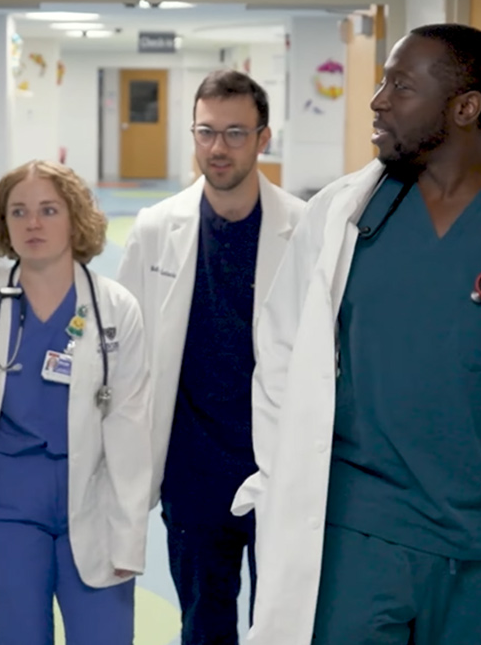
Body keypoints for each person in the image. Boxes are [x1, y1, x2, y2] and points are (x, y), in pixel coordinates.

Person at [235, 23, 481, 645]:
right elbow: (281, 358)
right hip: (359, 530)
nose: (377, 100)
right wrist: (279, 475)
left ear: (464, 108)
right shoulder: (342, 215)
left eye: (400, 85)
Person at [0, 160, 153, 645]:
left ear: (75, 219)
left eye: (48, 210)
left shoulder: (115, 308)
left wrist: (130, 535)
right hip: (5, 507)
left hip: (93, 497)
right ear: (3, 224)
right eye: (18, 212)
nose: (33, 224)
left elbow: (131, 429)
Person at [117, 69, 305, 644]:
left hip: (279, 463)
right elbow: (122, 349)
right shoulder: (155, 229)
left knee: (284, 618)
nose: (218, 148)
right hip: (192, 467)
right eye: (205, 132)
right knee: (203, 619)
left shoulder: (304, 229)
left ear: (264, 139)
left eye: (235, 133)